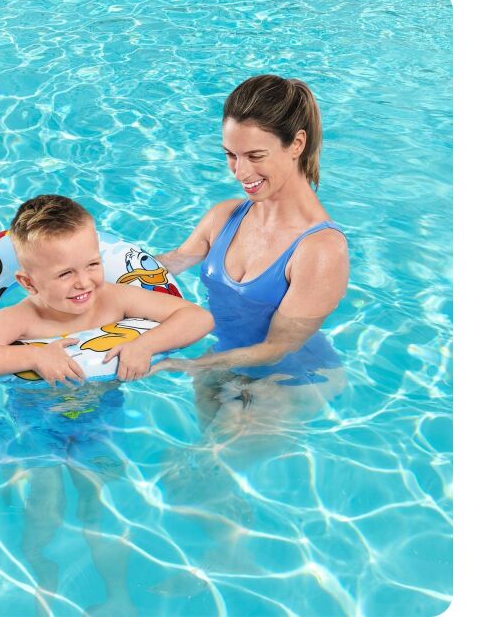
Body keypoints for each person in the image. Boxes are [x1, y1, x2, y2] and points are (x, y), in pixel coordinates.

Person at [0, 194, 214, 616]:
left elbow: (197, 317)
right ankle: (43, 574)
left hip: (101, 418)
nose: (84, 282)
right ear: (29, 283)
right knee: (46, 502)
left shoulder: (115, 299)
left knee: (101, 503)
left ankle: (117, 595)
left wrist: (145, 345)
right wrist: (34, 355)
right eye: (65, 273)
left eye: (92, 264)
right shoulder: (22, 319)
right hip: (37, 419)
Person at [148, 75, 351, 593]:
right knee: (201, 468)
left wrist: (195, 363)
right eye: (231, 156)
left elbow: (281, 346)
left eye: (255, 156)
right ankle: (230, 552)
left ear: (297, 144)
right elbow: (167, 266)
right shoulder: (225, 216)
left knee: (190, 469)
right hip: (225, 365)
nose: (241, 172)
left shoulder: (321, 248)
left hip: (291, 379)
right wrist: (90, 274)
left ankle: (242, 565)